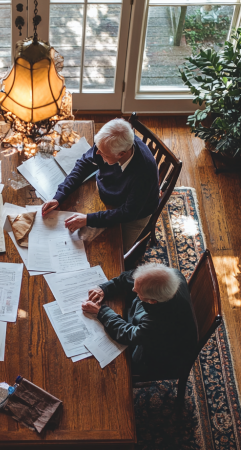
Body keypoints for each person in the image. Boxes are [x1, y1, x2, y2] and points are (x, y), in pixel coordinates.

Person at [42, 118, 159, 252]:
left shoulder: (144, 173)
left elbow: (128, 213)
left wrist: (88, 219)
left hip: (134, 213)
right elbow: (84, 164)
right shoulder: (106, 145)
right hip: (109, 191)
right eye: (98, 148)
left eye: (103, 153)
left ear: (121, 154)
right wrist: (59, 195)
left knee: (116, 251)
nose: (97, 153)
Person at [82, 262, 197, 376]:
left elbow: (129, 335)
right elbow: (133, 277)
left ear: (152, 301)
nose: (133, 289)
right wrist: (105, 288)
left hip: (162, 357)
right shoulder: (172, 275)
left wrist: (101, 311)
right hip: (158, 332)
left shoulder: (158, 321)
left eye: (137, 293)